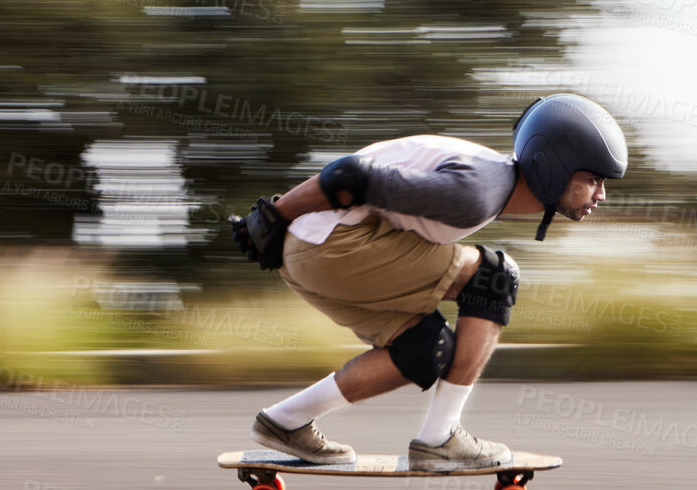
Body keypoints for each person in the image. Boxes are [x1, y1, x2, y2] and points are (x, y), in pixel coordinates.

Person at [228, 94, 627, 470]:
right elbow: (347, 175)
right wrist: (273, 216)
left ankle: (285, 421)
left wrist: (277, 226)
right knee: (495, 277)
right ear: (552, 165)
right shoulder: (476, 191)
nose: (601, 194)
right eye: (594, 179)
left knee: (424, 349)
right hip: (331, 246)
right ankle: (440, 440)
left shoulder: (488, 185)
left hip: (317, 252)